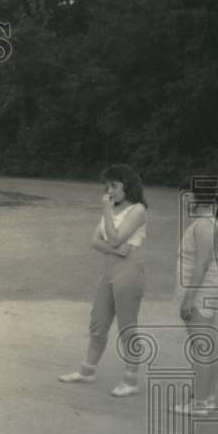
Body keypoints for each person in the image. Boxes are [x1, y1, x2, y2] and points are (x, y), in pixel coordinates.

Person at [59, 164, 149, 397]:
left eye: (114, 185)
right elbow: (95, 241)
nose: (109, 190)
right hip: (108, 272)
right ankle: (86, 372)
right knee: (97, 324)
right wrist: (114, 248)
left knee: (127, 327)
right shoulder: (111, 211)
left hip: (129, 273)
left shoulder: (137, 210)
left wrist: (108, 215)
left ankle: (130, 380)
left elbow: (116, 237)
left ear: (127, 186)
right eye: (107, 185)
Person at [173, 178, 218, 416]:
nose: (184, 201)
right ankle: (207, 398)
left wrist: (188, 298)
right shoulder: (209, 223)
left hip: (200, 293)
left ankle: (200, 403)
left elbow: (202, 264)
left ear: (199, 198)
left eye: (187, 196)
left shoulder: (204, 226)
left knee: (201, 347)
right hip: (206, 292)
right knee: (206, 346)